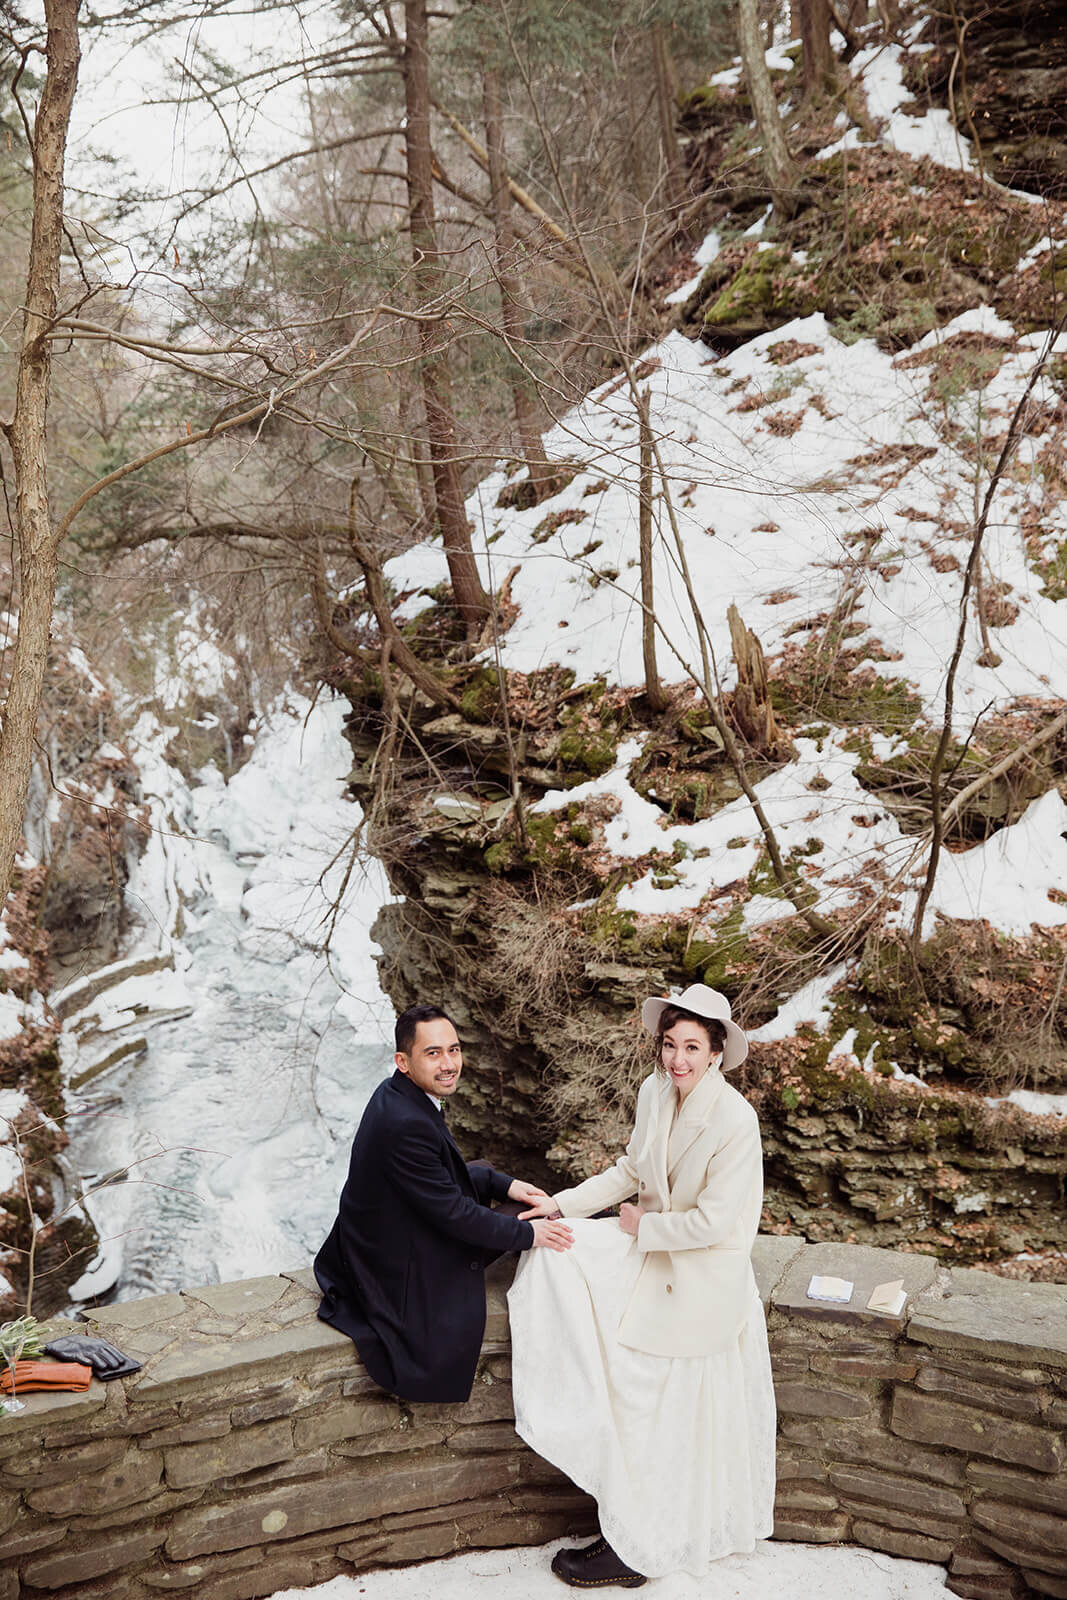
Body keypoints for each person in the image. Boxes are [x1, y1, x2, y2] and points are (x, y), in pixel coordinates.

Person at [509, 983, 776, 1588]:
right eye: (669, 1045)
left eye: (691, 1047)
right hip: (652, 1248)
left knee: (647, 1399)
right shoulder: (654, 1092)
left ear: (715, 1052)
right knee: (557, 1251)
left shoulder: (737, 1120)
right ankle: (601, 1472)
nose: (677, 1060)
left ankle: (637, 1549)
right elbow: (631, 1169)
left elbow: (718, 1222)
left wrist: (644, 1225)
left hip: (700, 1272)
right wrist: (562, 1204)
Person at [314, 1002, 573, 1403]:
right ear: (403, 1061)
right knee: (535, 1217)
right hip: (397, 1265)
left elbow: (432, 1180)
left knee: (499, 1183)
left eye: (453, 1049)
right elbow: (455, 1214)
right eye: (433, 1053)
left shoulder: (398, 1095)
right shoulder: (406, 1123)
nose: (449, 1063)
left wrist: (504, 1183)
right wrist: (529, 1234)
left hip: (387, 1232)